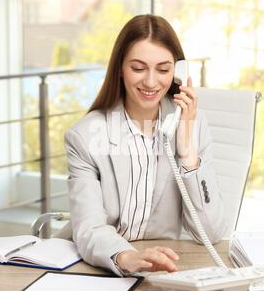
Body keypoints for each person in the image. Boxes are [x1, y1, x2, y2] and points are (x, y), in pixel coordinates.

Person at [55, 14, 227, 276]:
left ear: (177, 72)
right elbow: (89, 228)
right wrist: (126, 257)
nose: (150, 82)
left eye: (163, 69)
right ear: (120, 70)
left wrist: (186, 148)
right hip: (101, 266)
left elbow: (211, 232)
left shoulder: (193, 124)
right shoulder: (85, 137)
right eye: (138, 68)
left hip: (168, 266)